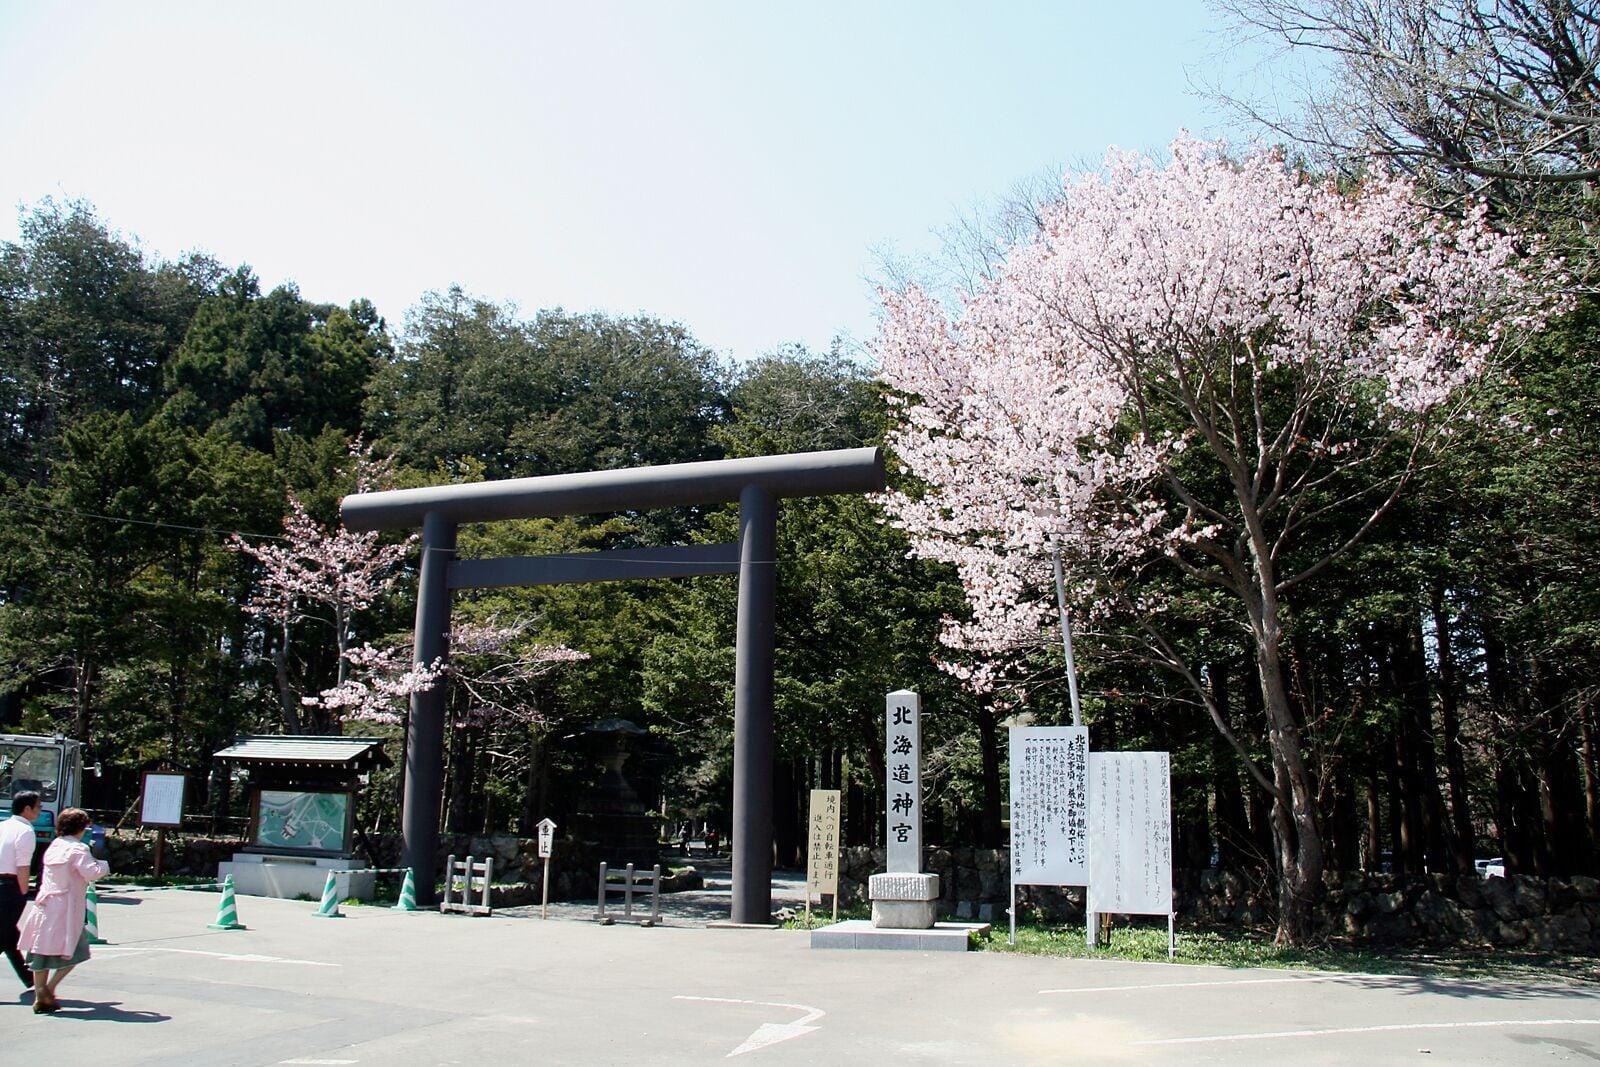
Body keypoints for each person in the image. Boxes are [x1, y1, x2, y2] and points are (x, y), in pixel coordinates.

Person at [16, 807, 108, 1014]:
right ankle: (49, 989)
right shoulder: (78, 849)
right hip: (66, 906)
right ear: (82, 828)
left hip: (45, 904)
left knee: (40, 949)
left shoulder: (55, 845)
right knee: (75, 950)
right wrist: (103, 864)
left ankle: (41, 990)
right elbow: (91, 873)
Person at [0, 791, 40, 992]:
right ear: (27, 809)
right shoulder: (25, 831)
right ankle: (31, 978)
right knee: (4, 934)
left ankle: (29, 978)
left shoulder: (3, 825)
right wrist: (23, 892)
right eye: (38, 807)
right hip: (10, 885)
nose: (39, 811)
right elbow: (23, 866)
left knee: (8, 935)